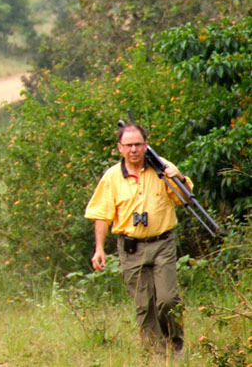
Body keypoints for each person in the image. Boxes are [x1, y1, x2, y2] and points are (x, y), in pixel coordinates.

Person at [85, 122, 190, 355]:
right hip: (131, 248)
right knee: (144, 305)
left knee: (167, 300)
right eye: (128, 145)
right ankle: (156, 354)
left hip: (162, 243)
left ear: (146, 145)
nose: (133, 150)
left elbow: (185, 200)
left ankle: (176, 346)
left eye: (138, 144)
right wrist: (99, 248)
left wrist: (179, 177)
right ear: (119, 148)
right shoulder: (111, 177)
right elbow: (101, 215)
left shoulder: (162, 167)